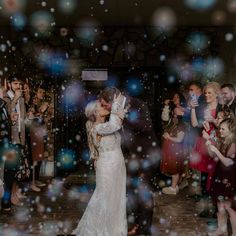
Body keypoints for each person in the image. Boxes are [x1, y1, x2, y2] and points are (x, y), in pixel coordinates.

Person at [99, 87, 160, 236]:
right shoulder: (115, 109)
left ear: (113, 99)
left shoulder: (137, 104)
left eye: (105, 104)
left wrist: (125, 117)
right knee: (132, 191)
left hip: (148, 156)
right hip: (132, 157)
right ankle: (138, 224)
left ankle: (145, 231)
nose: (103, 108)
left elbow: (147, 127)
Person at [72, 95, 127, 235]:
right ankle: (100, 231)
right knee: (105, 198)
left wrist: (120, 109)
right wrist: (115, 107)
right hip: (107, 166)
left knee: (117, 198)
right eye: (101, 106)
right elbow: (113, 126)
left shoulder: (107, 124)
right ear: (95, 113)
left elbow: (116, 125)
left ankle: (115, 229)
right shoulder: (97, 128)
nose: (105, 106)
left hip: (119, 165)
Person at [207, 117, 236, 236]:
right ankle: (222, 229)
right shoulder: (223, 141)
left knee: (230, 208)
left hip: (231, 178)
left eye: (223, 129)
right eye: (220, 128)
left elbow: (228, 162)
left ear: (231, 131)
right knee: (220, 204)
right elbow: (213, 156)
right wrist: (209, 146)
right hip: (220, 175)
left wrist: (216, 151)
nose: (220, 131)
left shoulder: (233, 144)